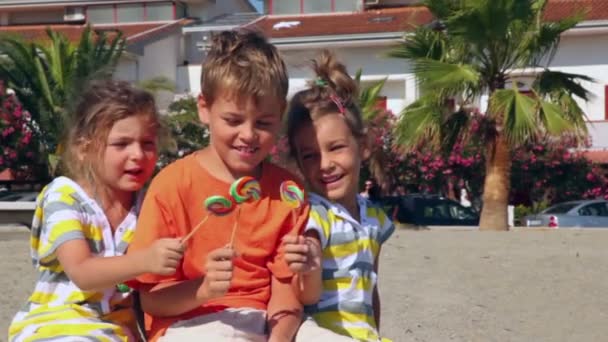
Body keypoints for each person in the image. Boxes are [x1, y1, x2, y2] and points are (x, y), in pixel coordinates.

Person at [126, 29, 309, 342]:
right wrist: (204, 288)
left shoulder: (287, 193)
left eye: (263, 123)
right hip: (187, 324)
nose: (249, 134)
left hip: (265, 323)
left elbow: (287, 294)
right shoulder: (172, 185)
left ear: (280, 115)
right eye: (234, 120)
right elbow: (151, 299)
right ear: (204, 109)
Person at [8, 80, 184, 342]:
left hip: (117, 330)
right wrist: (146, 261)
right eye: (121, 144)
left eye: (147, 143)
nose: (138, 154)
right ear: (83, 148)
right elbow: (82, 272)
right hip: (57, 324)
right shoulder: (64, 197)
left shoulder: (149, 203)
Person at [282, 51, 395, 341]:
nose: (324, 163)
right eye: (309, 155)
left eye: (336, 148)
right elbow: (306, 295)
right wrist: (309, 266)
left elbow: (371, 290)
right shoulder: (313, 216)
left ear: (364, 145)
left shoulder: (374, 218)